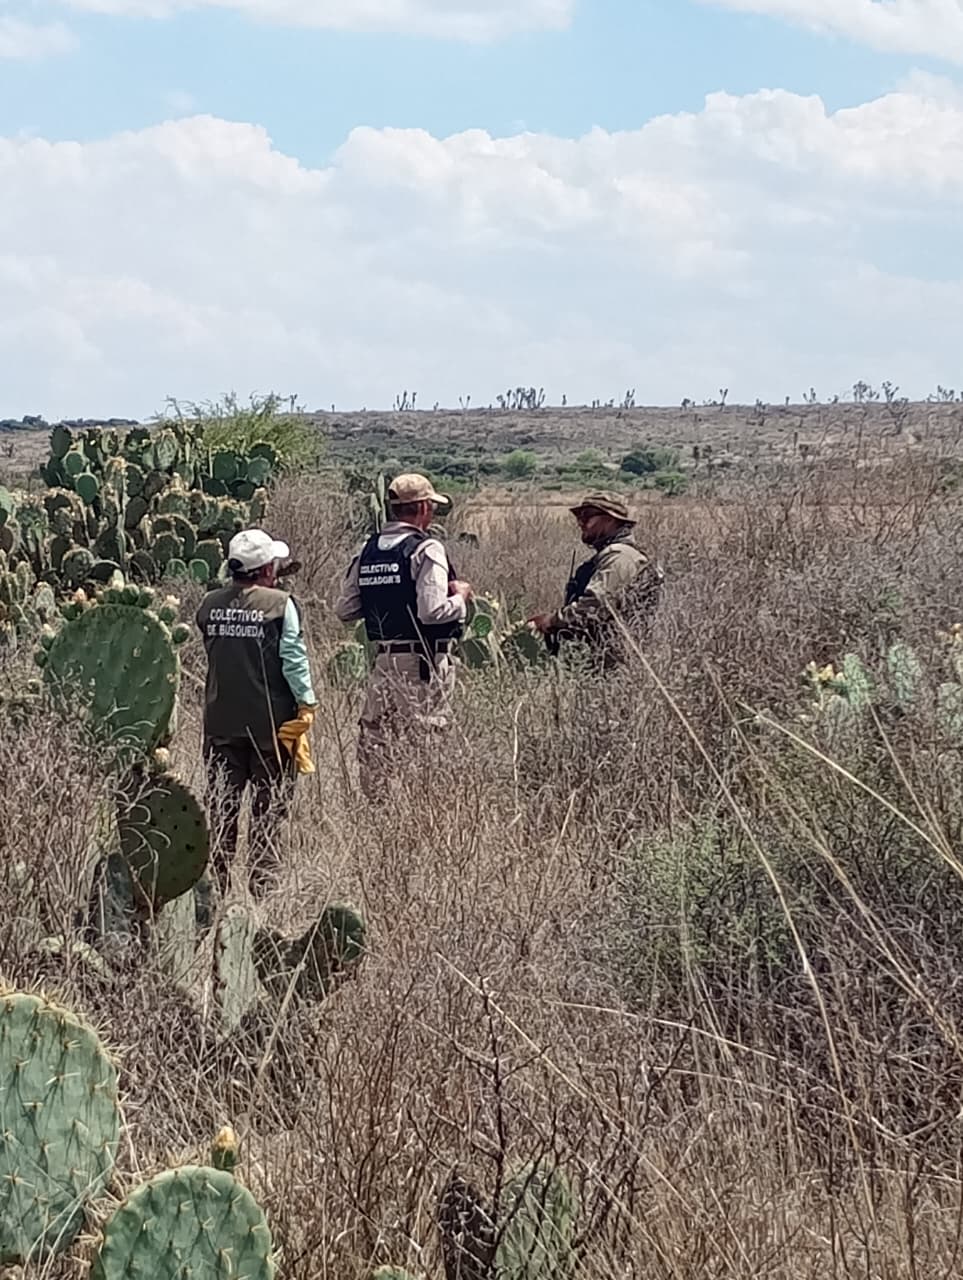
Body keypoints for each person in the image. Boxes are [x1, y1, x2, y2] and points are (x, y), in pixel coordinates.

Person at [195, 528, 318, 899]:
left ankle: (213, 891)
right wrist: (307, 704)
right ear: (266, 568)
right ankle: (263, 891)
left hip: (220, 725)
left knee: (221, 809)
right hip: (271, 727)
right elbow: (293, 661)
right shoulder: (281, 604)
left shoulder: (209, 604)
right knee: (269, 812)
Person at [335, 473, 473, 796]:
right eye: (432, 508)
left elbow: (345, 609)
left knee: (376, 738)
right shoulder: (426, 549)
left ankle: (377, 808)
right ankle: (424, 808)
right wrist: (461, 597)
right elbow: (432, 611)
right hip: (422, 662)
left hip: (383, 661)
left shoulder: (368, 550)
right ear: (423, 507)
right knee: (426, 738)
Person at [528, 492, 663, 668]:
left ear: (611, 519)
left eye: (587, 515)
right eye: (579, 516)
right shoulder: (612, 555)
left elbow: (595, 607)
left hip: (615, 665)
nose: (580, 522)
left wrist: (551, 621)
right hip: (601, 659)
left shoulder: (621, 556)